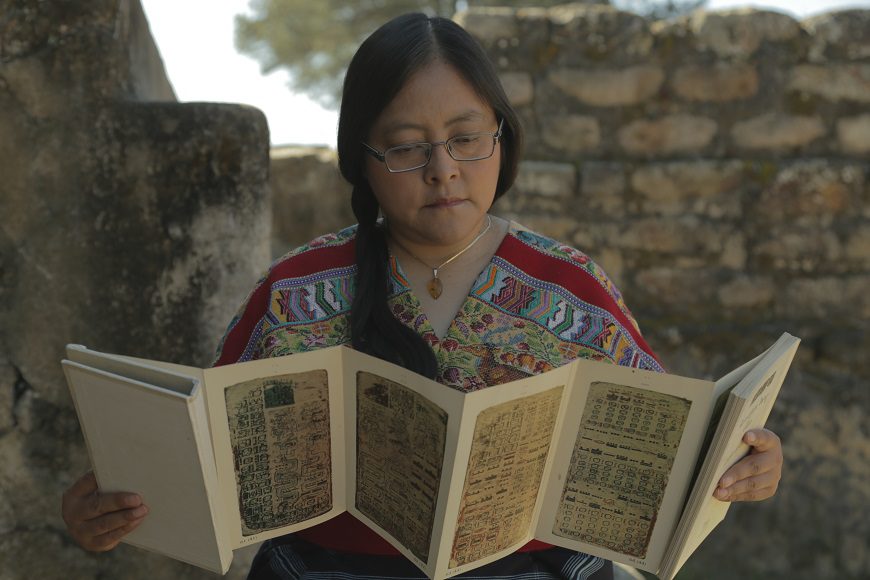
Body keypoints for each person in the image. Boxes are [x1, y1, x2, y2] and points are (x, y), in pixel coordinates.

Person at [62, 12, 784, 580]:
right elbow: (202, 459)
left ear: (503, 140)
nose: (444, 170)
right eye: (407, 146)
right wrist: (104, 505)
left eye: (467, 138)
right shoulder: (293, 295)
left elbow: (679, 451)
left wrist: (749, 460)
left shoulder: (572, 288)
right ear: (363, 160)